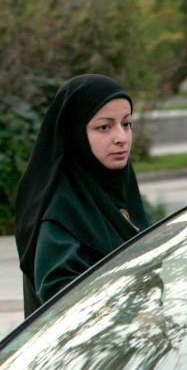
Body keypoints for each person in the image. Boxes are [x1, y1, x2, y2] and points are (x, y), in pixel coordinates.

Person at [14, 74, 148, 316]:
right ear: (75, 133)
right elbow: (61, 296)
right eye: (104, 127)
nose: (121, 138)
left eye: (126, 124)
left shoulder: (117, 188)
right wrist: (131, 316)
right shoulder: (61, 211)